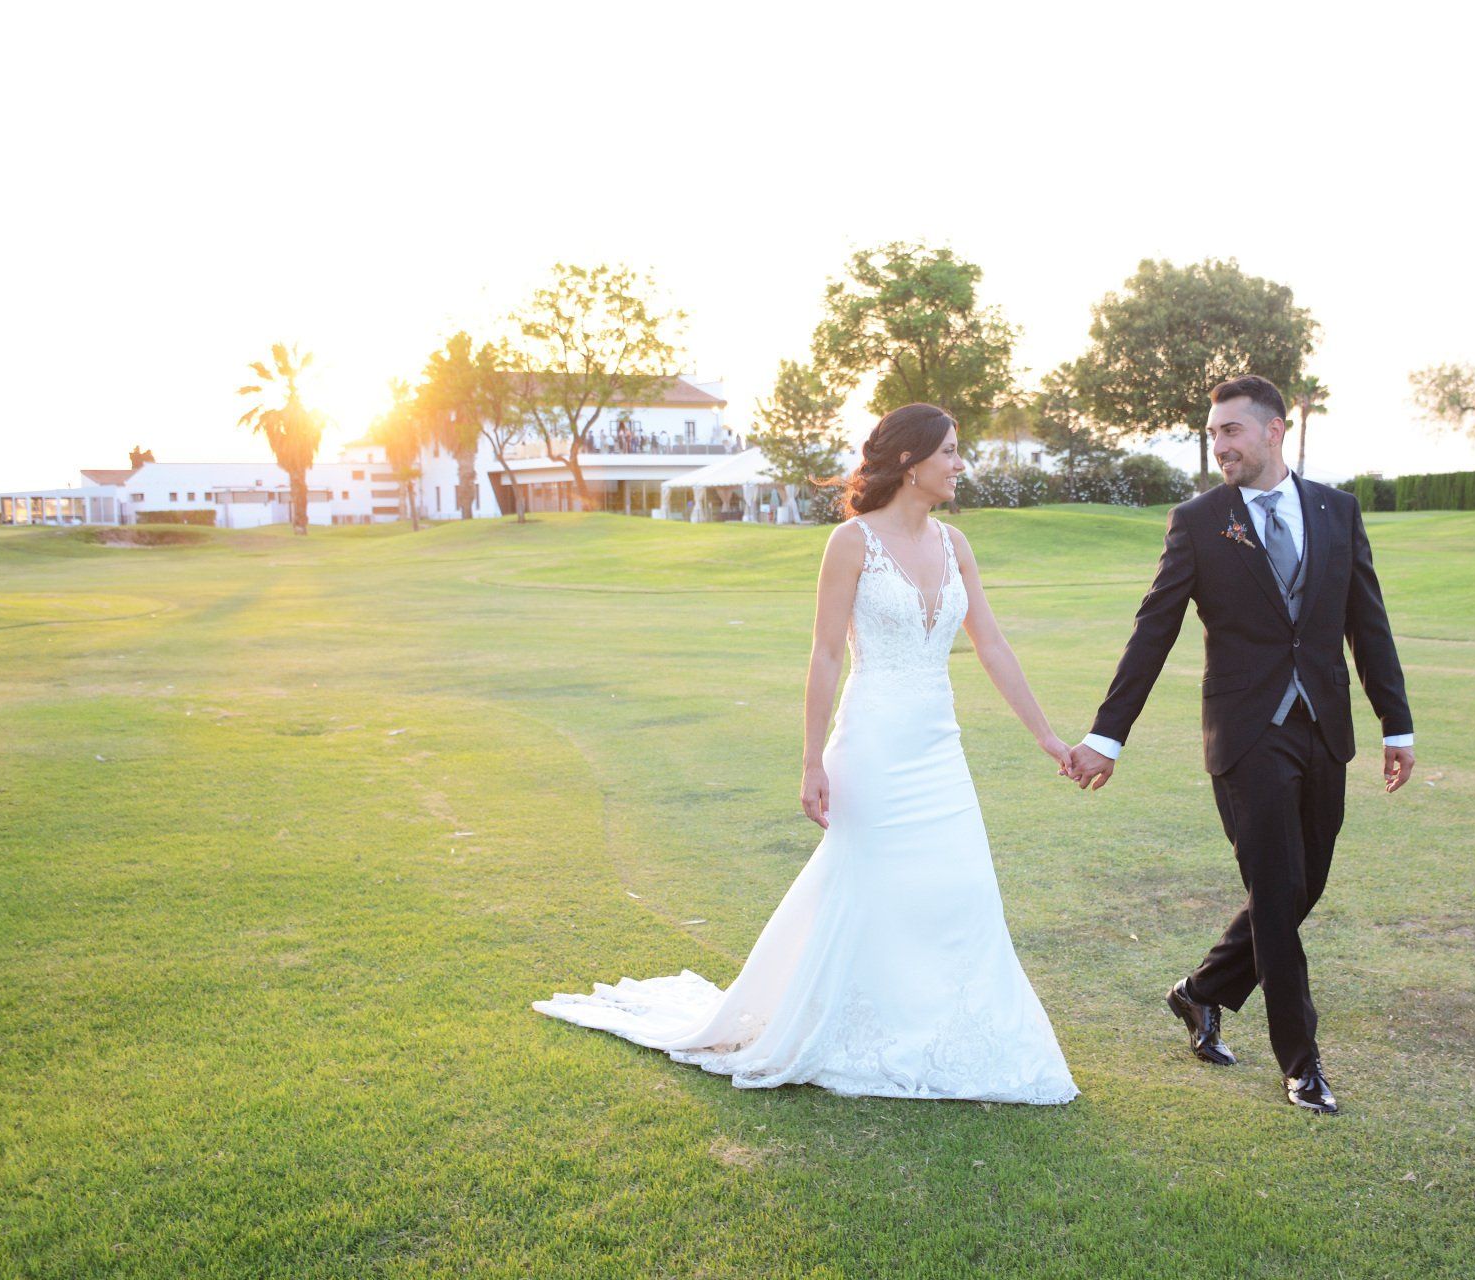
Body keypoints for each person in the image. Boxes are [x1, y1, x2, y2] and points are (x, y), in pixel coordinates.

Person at [534, 403, 1080, 1104]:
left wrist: (1046, 737)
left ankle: (950, 1031)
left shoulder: (955, 545)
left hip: (938, 746)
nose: (959, 463)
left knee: (961, 888)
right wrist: (811, 759)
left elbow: (992, 645)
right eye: (948, 451)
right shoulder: (851, 543)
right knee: (872, 886)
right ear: (911, 465)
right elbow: (825, 655)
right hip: (874, 743)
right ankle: (853, 1028)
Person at [1063, 374, 1415, 1115]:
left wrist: (1397, 724)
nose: (1218, 445)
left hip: (1323, 727)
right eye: (1213, 433)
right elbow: (1152, 632)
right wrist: (1107, 736)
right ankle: (1303, 1064)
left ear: (1274, 431)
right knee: (1278, 894)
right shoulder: (1198, 522)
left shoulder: (1337, 511)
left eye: (1231, 431)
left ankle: (1201, 991)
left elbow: (1367, 625)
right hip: (1246, 736)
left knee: (1301, 887)